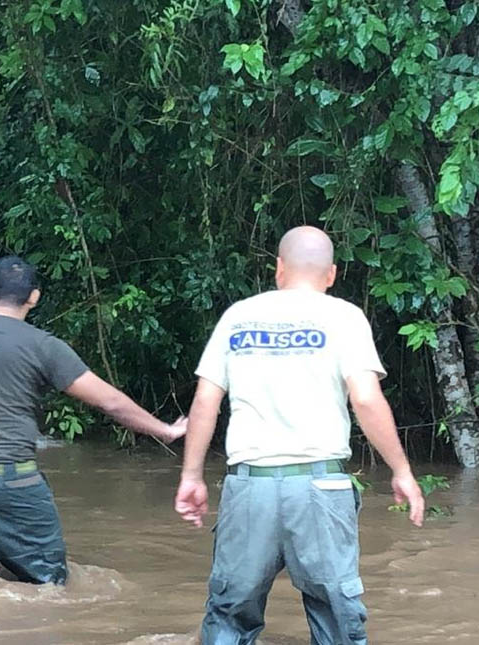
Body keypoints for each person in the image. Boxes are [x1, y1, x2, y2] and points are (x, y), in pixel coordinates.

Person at [174, 226, 425, 644]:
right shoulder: (343, 317)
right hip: (321, 488)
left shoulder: (239, 316)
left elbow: (205, 402)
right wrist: (401, 470)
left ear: (278, 269)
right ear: (331, 274)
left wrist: (191, 476)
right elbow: (365, 398)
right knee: (337, 620)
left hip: (248, 487)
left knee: (229, 618)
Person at [0, 255, 187, 590]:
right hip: (15, 484)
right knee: (50, 589)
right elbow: (109, 401)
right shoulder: (44, 346)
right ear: (34, 297)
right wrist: (165, 429)